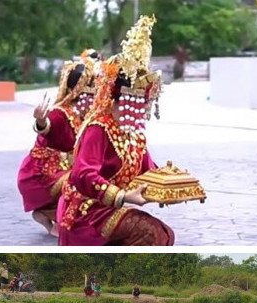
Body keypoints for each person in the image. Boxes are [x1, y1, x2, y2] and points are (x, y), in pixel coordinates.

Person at [57, 17, 174, 246]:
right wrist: (121, 196)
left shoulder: (133, 133)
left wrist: (171, 184)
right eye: (139, 100)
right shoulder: (99, 128)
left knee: (164, 234)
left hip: (109, 209)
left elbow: (147, 170)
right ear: (122, 98)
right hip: (87, 212)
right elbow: (82, 175)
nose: (144, 107)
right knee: (154, 233)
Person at [17, 50, 98, 237]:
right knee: (81, 180)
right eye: (93, 91)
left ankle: (56, 214)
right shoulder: (61, 114)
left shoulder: (86, 116)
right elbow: (48, 128)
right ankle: (56, 217)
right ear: (81, 92)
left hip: (61, 172)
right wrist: (41, 121)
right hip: (40, 176)